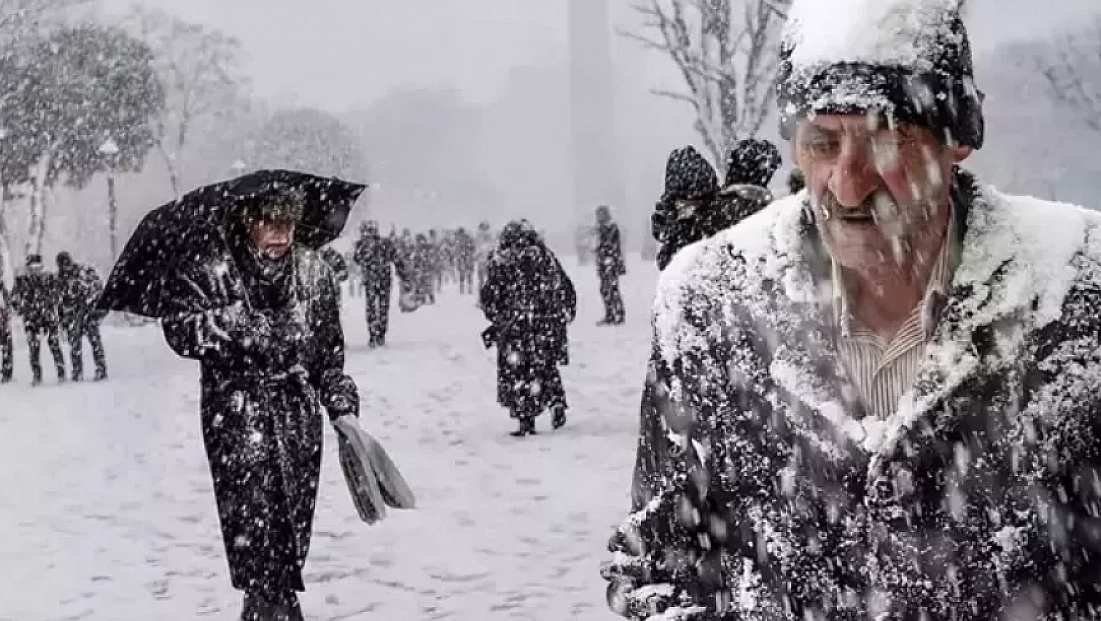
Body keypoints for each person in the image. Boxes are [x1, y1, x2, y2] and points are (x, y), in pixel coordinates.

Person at [604, 0, 1101, 618]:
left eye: (887, 139)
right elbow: (660, 570)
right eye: (822, 141)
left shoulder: (1080, 292)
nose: (847, 184)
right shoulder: (711, 301)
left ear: (957, 142)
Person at [160, 191, 360, 621]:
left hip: (298, 424)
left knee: (289, 538)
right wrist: (238, 326)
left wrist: (341, 407)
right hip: (237, 418)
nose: (280, 233)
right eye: (269, 221)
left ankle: (271, 606)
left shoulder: (314, 273)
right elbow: (179, 329)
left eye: (288, 222)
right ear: (247, 221)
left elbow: (329, 354)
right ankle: (272, 607)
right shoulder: (213, 270)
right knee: (257, 540)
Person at [480, 220, 576, 436]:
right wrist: (564, 311)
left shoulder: (501, 260)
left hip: (516, 326)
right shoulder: (544, 257)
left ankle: (526, 417)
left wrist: (498, 316)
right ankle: (555, 400)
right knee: (545, 365)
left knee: (517, 372)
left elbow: (490, 295)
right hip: (544, 323)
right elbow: (564, 285)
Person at [11, 254, 65, 386]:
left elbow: (58, 295)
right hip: (31, 318)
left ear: (42, 267)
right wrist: (22, 307)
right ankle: (37, 375)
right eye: (32, 268)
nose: (35, 270)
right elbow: (14, 300)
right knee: (33, 347)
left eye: (38, 267)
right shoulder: (21, 281)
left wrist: (51, 304)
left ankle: (61, 372)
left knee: (54, 344)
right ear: (28, 268)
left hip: (48, 316)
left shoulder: (49, 278)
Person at [56, 251, 108, 382]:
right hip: (73, 316)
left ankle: (100, 370)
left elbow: (98, 289)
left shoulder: (83, 273)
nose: (65, 267)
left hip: (88, 314)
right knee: (76, 346)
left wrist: (93, 307)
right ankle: (78, 372)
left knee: (93, 343)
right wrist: (63, 319)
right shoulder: (60, 279)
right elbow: (59, 301)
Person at [352, 221, 405, 347]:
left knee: (371, 308)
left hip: (372, 280)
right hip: (384, 280)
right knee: (383, 308)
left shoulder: (363, 245)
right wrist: (403, 275)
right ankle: (380, 334)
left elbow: (357, 260)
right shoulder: (385, 243)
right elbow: (397, 260)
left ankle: (373, 335)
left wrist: (363, 249)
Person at [594, 205, 625, 325]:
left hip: (610, 262)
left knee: (612, 289)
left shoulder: (610, 227)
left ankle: (618, 314)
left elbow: (611, 246)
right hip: (605, 262)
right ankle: (611, 314)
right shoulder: (602, 228)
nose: (598, 217)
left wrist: (605, 253)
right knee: (605, 290)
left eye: (600, 214)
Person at [453, 226, 476, 295]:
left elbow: (472, 249)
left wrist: (465, 254)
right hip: (464, 261)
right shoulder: (461, 240)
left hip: (466, 260)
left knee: (465, 276)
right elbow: (456, 252)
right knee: (464, 276)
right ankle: (465, 290)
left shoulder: (462, 240)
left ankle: (466, 290)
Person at [0, 281, 12, 383]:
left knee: (6, 348)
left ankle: (7, 373)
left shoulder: (3, 290)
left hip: (3, 324)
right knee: (6, 348)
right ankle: (7, 372)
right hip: (3, 323)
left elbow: (8, 305)